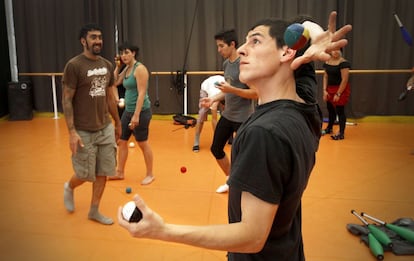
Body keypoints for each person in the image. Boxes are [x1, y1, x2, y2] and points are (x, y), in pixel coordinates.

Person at [117, 11, 352, 260]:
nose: (241, 49)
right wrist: (315, 38)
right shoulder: (305, 103)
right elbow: (304, 24)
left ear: (287, 52)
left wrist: (163, 230)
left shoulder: (264, 134)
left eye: (255, 41)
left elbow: (251, 237)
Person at [62, 23, 121, 225]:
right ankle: (69, 187)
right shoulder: (74, 66)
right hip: (83, 129)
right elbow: (67, 99)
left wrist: (118, 123)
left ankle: (94, 210)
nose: (98, 41)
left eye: (100, 37)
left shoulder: (106, 65)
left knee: (103, 171)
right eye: (93, 37)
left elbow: (110, 98)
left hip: (104, 126)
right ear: (83, 41)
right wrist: (71, 132)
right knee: (84, 174)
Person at [202, 29, 258, 193]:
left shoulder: (245, 64)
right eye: (217, 46)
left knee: (241, 157)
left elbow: (255, 93)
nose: (219, 50)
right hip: (228, 115)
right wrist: (214, 98)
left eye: (221, 46)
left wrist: (231, 90)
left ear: (232, 45)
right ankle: (231, 180)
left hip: (243, 119)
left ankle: (244, 186)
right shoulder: (227, 64)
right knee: (216, 148)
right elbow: (227, 89)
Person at [108, 42, 155, 185]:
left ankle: (150, 174)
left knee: (142, 143)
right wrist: (117, 67)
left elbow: (142, 93)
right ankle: (120, 172)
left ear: (134, 53)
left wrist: (136, 115)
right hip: (128, 111)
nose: (124, 55)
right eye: (122, 53)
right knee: (122, 141)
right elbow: (114, 82)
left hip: (141, 112)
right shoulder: (127, 69)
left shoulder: (139, 69)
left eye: (127, 52)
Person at [322, 49, 351, 140]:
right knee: (330, 109)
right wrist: (324, 90)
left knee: (340, 111)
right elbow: (325, 76)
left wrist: (338, 94)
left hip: (340, 89)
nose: (336, 51)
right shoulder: (327, 61)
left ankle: (341, 133)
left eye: (338, 49)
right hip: (329, 89)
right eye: (334, 49)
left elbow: (344, 80)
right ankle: (329, 128)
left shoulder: (343, 63)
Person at [192, 75, 225, 152]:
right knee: (202, 115)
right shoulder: (214, 98)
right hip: (206, 87)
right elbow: (214, 120)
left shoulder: (228, 93)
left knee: (228, 115)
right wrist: (217, 141)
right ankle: (196, 141)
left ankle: (229, 137)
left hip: (220, 85)